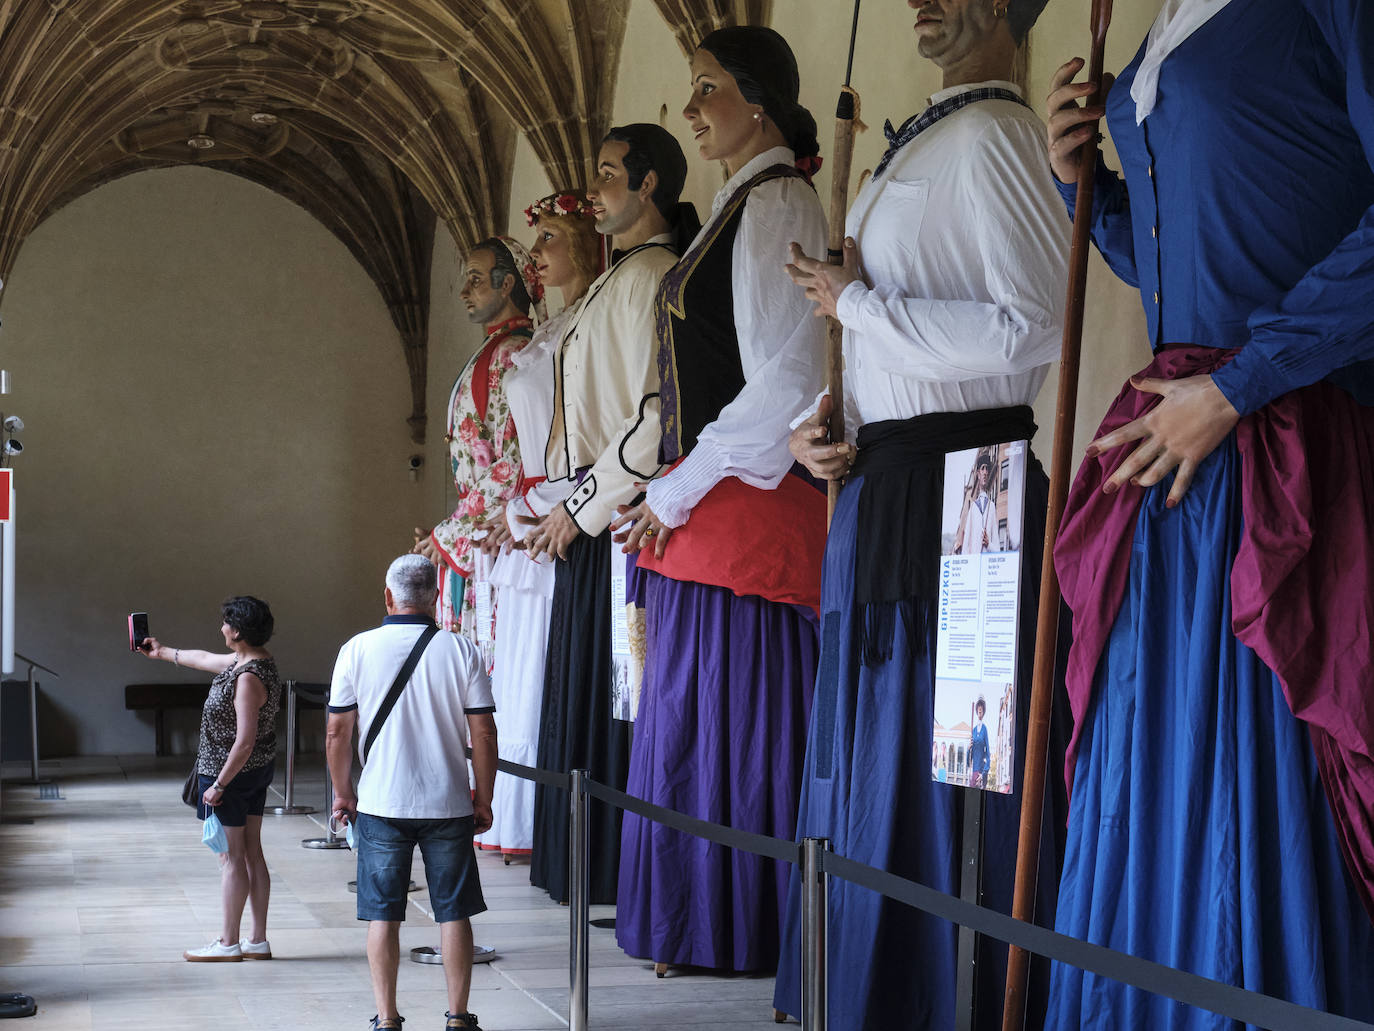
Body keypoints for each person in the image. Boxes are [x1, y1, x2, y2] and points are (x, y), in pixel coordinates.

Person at [1043, 0, 1374, 1024]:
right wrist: (1085, 188)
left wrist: (1240, 386)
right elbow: (1192, 243)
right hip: (1178, 450)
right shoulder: (1158, 27)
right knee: (1158, 778)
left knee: (1255, 778)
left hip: (1283, 446)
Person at [774, 0, 1068, 1024]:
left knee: (960, 756)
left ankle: (954, 995)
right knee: (880, 751)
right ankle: (878, 985)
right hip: (891, 477)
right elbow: (907, 345)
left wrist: (854, 305)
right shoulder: (935, 138)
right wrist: (829, 423)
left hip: (970, 484)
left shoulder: (996, 134)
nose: (920, 3)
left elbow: (1033, 326)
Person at [611, 25, 828, 974]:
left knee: (725, 721)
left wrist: (680, 486)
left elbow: (786, 378)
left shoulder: (777, 203)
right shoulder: (740, 205)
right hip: (705, 503)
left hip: (743, 503)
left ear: (759, 100)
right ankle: (695, 921)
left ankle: (733, 922)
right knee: (691, 721)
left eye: (707, 89)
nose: (692, 108)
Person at [519, 124, 696, 905]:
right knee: (592, 684)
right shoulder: (615, 282)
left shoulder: (652, 274)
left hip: (615, 514)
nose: (597, 188)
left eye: (610, 172)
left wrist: (582, 508)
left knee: (618, 685)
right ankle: (586, 864)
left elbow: (652, 418)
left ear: (650, 183)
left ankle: (610, 866)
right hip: (591, 508)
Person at [473, 190, 602, 862]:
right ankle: (509, 817)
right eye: (538, 241)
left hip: (562, 507)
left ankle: (537, 818)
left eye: (552, 238)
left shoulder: (590, 324)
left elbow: (587, 435)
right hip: (530, 508)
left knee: (542, 667)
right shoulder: (546, 334)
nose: (539, 255)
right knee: (519, 668)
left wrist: (543, 505)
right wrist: (510, 510)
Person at [325, 555, 497, 1031]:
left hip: (380, 802)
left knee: (383, 914)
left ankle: (387, 1019)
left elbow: (337, 733)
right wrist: (483, 797)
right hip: (448, 802)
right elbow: (483, 733)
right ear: (436, 598)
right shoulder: (462, 651)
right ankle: (459, 1017)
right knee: (454, 911)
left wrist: (343, 793)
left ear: (387, 597)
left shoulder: (356, 649)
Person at [414, 236, 546, 659]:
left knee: (485, 663)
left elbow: (516, 460)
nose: (464, 292)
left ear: (507, 284)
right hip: (479, 533)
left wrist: (450, 532)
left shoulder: (512, 353)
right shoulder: (495, 350)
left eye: (475, 279)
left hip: (495, 539)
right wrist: (447, 530)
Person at [139, 596, 282, 962]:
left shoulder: (248, 678)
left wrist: (219, 784)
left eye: (225, 623)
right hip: (253, 772)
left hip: (231, 774)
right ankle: (257, 941)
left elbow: (245, 740)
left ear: (236, 631)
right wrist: (162, 651)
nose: (221, 628)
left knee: (231, 859)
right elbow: (203, 658)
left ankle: (229, 942)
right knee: (251, 854)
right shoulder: (253, 661)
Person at [957, 453, 998, 554]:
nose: (985, 472)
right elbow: (966, 543)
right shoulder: (973, 508)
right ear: (978, 474)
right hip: (974, 564)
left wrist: (989, 544)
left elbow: (997, 548)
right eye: (982, 469)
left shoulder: (991, 507)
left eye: (987, 469)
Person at [969, 697, 990, 789]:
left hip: (980, 772)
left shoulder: (984, 729)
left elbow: (988, 753)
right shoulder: (973, 730)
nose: (980, 710)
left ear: (983, 711)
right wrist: (969, 748)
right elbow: (969, 755)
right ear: (977, 710)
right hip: (973, 770)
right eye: (978, 708)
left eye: (981, 708)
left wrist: (984, 773)